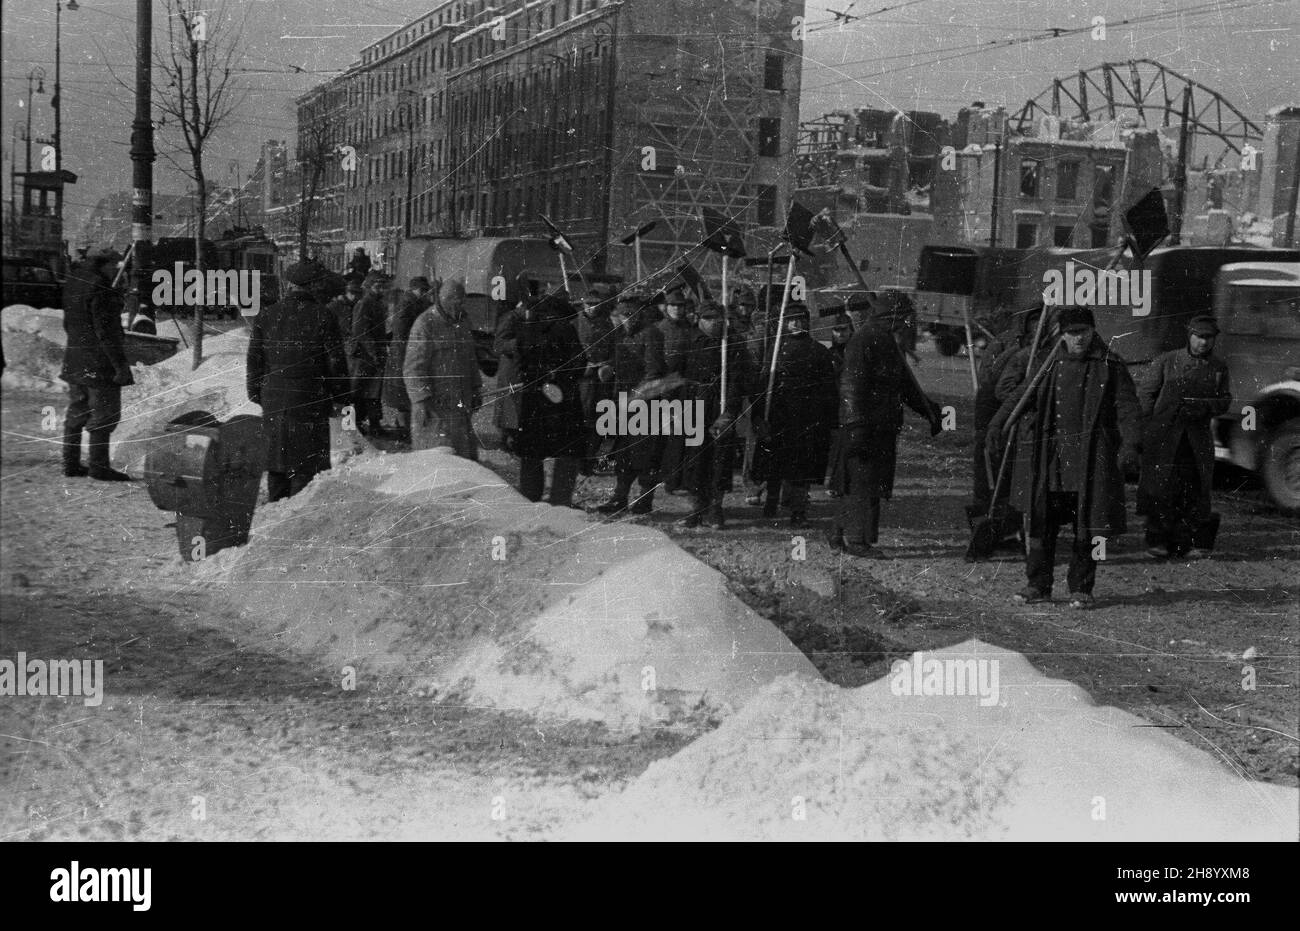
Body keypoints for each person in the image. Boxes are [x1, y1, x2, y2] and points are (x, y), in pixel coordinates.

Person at [1005, 306, 1142, 609]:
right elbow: (1021, 396)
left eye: (1084, 332)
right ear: (1061, 334)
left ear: (1093, 332)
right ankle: (1037, 585)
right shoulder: (1046, 364)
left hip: (1091, 460)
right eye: (1071, 332)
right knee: (1042, 524)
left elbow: (1128, 408)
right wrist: (999, 424)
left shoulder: (1110, 365)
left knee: (1089, 526)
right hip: (1050, 459)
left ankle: (1082, 587)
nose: (1078, 338)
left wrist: (1130, 444)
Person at [830, 297, 943, 557]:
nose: (908, 323)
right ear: (891, 317)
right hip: (862, 425)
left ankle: (838, 533)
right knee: (861, 482)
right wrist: (855, 424)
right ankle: (857, 541)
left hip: (880, 425)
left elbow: (904, 386)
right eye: (905, 317)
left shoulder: (890, 343)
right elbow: (851, 387)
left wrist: (929, 411)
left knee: (866, 481)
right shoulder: (863, 341)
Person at [246, 261, 350, 502]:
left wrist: (256, 394)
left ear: (289, 285)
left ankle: (274, 519)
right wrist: (341, 398)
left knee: (277, 465)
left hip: (274, 401)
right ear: (313, 286)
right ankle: (294, 524)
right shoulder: (324, 316)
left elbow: (254, 361)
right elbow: (336, 363)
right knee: (305, 467)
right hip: (310, 400)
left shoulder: (267, 315)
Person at [1137, 315, 1231, 559]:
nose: (1203, 343)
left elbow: (1225, 400)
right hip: (1164, 437)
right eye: (1199, 337)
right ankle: (1157, 541)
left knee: (1195, 489)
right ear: (1189, 336)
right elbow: (1146, 395)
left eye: (1208, 338)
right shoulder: (1167, 361)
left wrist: (1207, 407)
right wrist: (1145, 429)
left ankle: (1190, 543)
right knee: (1161, 488)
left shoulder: (1219, 368)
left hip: (1196, 438)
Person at [749, 304, 839, 527]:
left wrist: (829, 419)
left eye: (801, 320)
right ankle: (771, 501)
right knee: (774, 462)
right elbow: (763, 384)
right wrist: (759, 415)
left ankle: (798, 512)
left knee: (802, 468)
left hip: (807, 419)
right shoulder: (776, 349)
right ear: (785, 323)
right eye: (792, 320)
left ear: (807, 322)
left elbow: (829, 389)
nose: (796, 324)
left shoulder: (819, 351)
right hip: (779, 415)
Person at [495, 292, 586, 506]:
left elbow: (519, 366)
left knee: (531, 453)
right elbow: (579, 363)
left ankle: (529, 498)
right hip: (563, 402)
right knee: (567, 453)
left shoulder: (525, 331)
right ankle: (560, 502)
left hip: (533, 402)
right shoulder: (566, 330)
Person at [673, 301, 753, 529]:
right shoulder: (690, 341)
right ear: (699, 319)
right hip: (695, 403)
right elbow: (678, 374)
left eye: (717, 318)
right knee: (695, 458)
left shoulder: (734, 343)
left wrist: (729, 412)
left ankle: (716, 508)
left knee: (719, 459)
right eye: (708, 318)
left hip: (722, 403)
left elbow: (740, 381)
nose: (714, 322)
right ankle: (696, 507)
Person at [60, 248, 133, 481]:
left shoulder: (74, 281)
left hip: (75, 359)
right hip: (99, 364)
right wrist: (120, 366)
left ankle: (70, 464)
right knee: (104, 415)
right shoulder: (101, 287)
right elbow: (107, 332)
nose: (118, 269)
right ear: (104, 264)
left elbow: (67, 323)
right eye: (115, 264)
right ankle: (99, 467)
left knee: (76, 412)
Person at [593, 293, 667, 515]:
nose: (626, 319)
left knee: (646, 455)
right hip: (624, 401)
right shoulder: (621, 336)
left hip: (646, 402)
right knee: (623, 453)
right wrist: (609, 368)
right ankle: (620, 497)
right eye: (622, 315)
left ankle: (645, 499)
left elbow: (653, 371)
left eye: (630, 314)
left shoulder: (651, 334)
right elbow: (621, 362)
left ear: (640, 314)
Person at [971, 304, 1043, 519]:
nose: (1038, 324)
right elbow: (988, 379)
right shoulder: (1005, 343)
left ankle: (1010, 522)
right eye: (1033, 320)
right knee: (989, 468)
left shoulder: (1045, 348)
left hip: (1017, 415)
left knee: (1013, 474)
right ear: (1025, 323)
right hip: (993, 410)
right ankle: (986, 516)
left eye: (1041, 320)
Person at [403, 277, 481, 460]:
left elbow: (471, 360)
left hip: (459, 407)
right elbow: (413, 368)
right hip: (434, 410)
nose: (461, 306)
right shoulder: (425, 324)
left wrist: (476, 388)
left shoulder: (461, 324)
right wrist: (420, 401)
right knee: (436, 461)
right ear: (446, 300)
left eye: (463, 302)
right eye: (458, 302)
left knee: (462, 461)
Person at [656, 286, 697, 495]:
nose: (678, 309)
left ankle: (682, 478)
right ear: (666, 307)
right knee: (670, 437)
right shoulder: (660, 329)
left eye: (681, 306)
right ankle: (670, 480)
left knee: (685, 435)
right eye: (673, 305)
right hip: (666, 388)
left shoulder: (690, 328)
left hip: (686, 387)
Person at [383, 276, 434, 444]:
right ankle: (402, 431)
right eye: (422, 290)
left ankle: (405, 430)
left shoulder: (418, 302)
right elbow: (400, 331)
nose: (424, 293)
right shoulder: (406, 304)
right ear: (413, 289)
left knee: (407, 395)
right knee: (403, 396)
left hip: (410, 352)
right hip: (403, 354)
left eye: (426, 290)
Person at [576, 284, 617, 474]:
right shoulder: (575, 323)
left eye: (595, 304)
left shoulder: (607, 323)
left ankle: (589, 460)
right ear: (583, 305)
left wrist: (608, 364)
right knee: (581, 418)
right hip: (581, 379)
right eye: (589, 304)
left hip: (601, 379)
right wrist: (580, 366)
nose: (592, 308)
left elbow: (614, 349)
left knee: (598, 420)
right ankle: (578, 460)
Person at [347, 272, 389, 436]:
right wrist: (373, 352)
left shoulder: (376, 303)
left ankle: (374, 424)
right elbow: (360, 332)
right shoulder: (364, 303)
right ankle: (352, 426)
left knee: (374, 391)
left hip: (373, 355)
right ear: (369, 287)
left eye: (382, 286)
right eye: (377, 286)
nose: (381, 290)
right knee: (356, 392)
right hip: (363, 356)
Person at [824, 312, 854, 495]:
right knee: (833, 445)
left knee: (845, 445)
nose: (841, 334)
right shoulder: (829, 355)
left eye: (844, 329)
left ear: (851, 330)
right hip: (832, 404)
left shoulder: (856, 352)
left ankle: (838, 484)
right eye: (837, 330)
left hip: (850, 404)